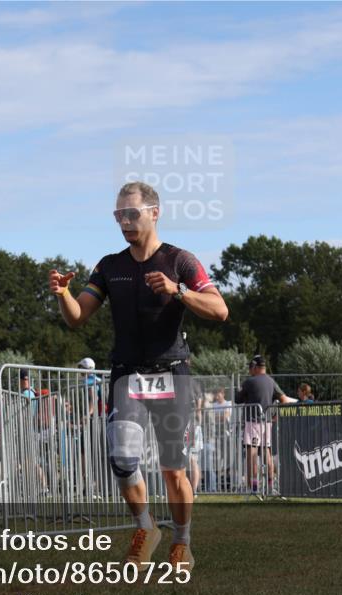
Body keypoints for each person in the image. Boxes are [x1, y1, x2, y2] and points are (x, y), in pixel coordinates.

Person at [48, 181, 228, 572]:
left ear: (154, 213)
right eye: (119, 215)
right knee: (123, 458)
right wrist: (63, 295)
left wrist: (178, 291)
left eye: (132, 214)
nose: (125, 222)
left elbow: (220, 310)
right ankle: (146, 528)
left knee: (173, 468)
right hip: (127, 373)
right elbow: (78, 318)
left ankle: (182, 541)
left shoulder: (180, 260)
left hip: (172, 373)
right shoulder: (110, 266)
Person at [236, 355, 296, 495]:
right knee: (267, 454)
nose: (249, 370)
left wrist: (240, 391)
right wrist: (275, 416)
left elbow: (237, 399)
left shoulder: (249, 382)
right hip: (267, 423)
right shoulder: (271, 381)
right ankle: (270, 486)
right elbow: (284, 400)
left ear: (255, 367)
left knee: (252, 455)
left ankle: (253, 488)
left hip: (253, 422)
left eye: (250, 367)